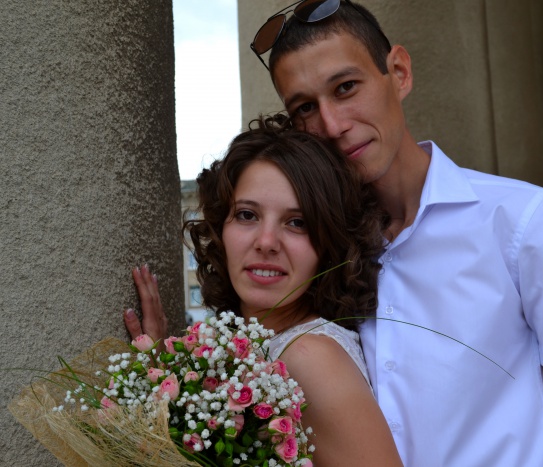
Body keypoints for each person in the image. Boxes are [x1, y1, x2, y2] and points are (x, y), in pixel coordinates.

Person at [127, 1, 543, 465]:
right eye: (304, 107)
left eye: (345, 88)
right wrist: (178, 370)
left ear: (399, 72)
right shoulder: (321, 248)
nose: (332, 124)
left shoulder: (523, 219)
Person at [129, 117, 403, 466]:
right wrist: (163, 376)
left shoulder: (310, 358)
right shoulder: (253, 348)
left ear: (328, 244)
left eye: (297, 223)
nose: (266, 242)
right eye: (247, 215)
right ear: (221, 228)